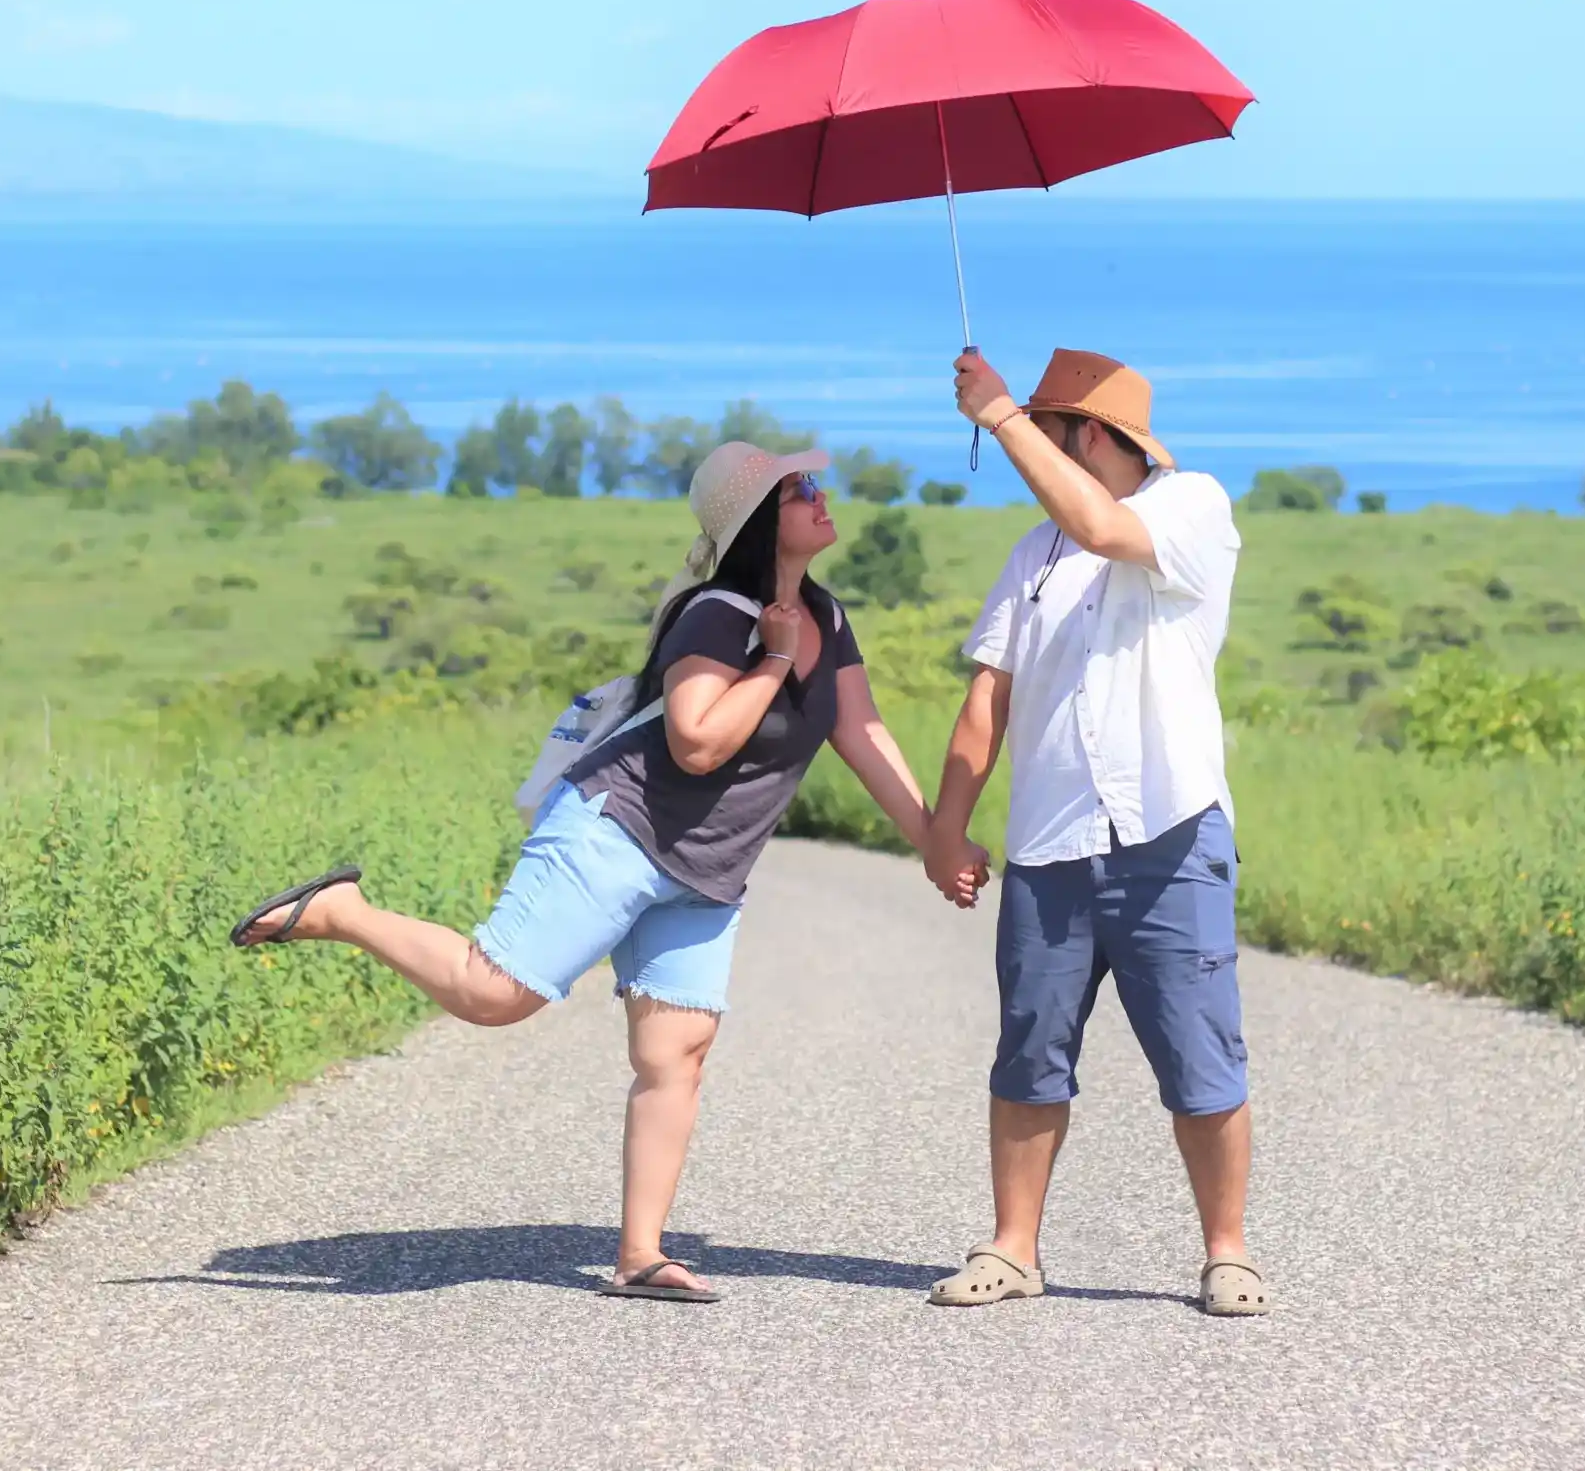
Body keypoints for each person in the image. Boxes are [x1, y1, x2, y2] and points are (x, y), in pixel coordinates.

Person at [232, 440, 966, 1303]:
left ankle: (639, 1253)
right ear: (758, 521)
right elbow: (697, 742)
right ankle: (344, 909)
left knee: (675, 1051)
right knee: (493, 992)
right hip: (619, 830)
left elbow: (862, 733)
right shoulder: (717, 615)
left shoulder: (827, 618)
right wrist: (772, 660)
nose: (819, 492)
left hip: (707, 869)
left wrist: (934, 841)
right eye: (798, 487)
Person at [921, 347, 1270, 1317]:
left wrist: (999, 415)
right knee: (1028, 1052)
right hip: (1049, 843)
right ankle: (1012, 1249)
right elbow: (986, 697)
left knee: (1201, 1055)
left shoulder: (1189, 504)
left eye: (1045, 428)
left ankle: (1228, 1254)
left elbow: (1104, 527)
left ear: (1082, 434)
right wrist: (946, 828)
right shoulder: (1031, 555)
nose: (1030, 446)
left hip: (1170, 833)